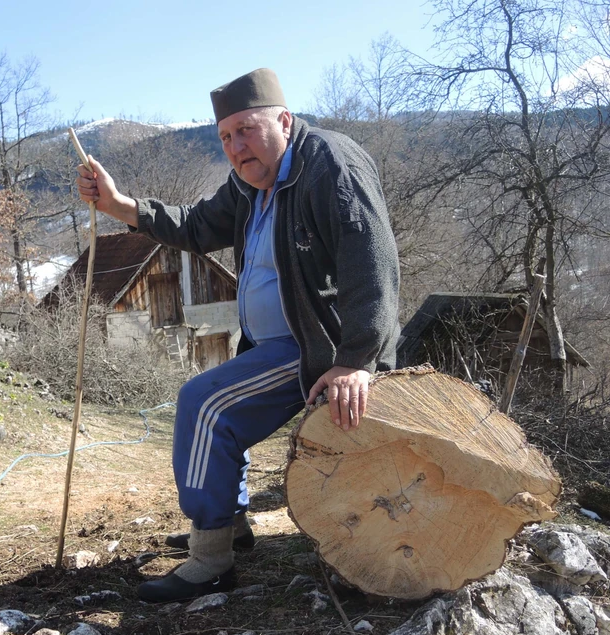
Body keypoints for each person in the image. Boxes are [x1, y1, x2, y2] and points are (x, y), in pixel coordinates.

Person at [77, 68, 400, 603]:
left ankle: (211, 560)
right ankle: (231, 526)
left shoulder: (330, 167)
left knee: (205, 406)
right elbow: (196, 227)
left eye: (247, 130)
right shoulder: (250, 184)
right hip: (274, 346)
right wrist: (116, 204)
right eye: (226, 137)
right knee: (216, 402)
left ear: (285, 121)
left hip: (317, 349)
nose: (236, 146)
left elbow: (372, 263)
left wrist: (356, 360)